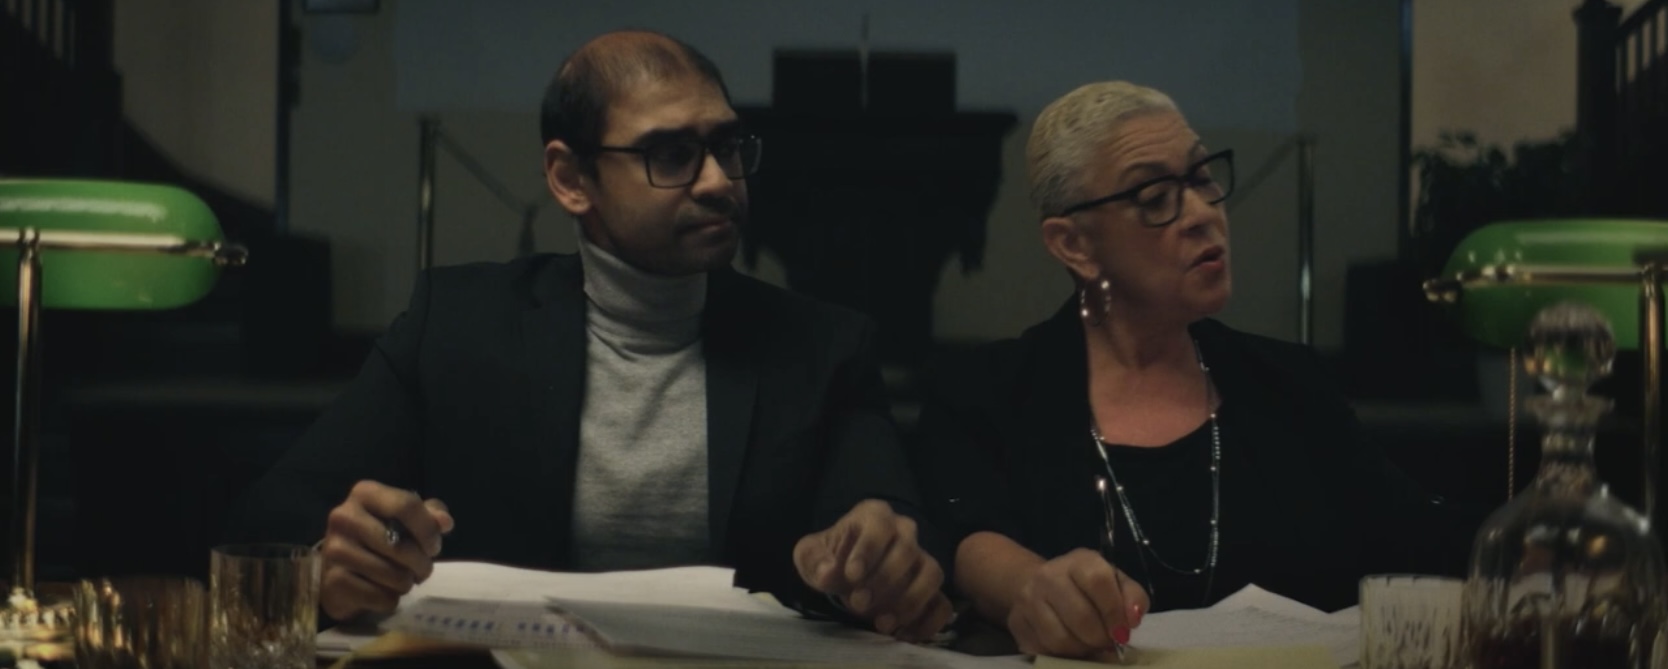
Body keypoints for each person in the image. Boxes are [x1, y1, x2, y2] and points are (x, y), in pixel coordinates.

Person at [231, 30, 950, 641]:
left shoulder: (823, 346)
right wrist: (332, 563)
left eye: (727, 146)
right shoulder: (455, 324)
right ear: (571, 178)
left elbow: (897, 532)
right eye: (671, 154)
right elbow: (270, 522)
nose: (718, 182)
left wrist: (879, 560)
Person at [908, 81, 1482, 659]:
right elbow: (968, 540)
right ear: (1074, 244)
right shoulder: (988, 393)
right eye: (1156, 196)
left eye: (1203, 177)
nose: (1204, 213)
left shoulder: (1287, 384)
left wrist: (1521, 539)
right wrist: (1033, 587)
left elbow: (1419, 536)